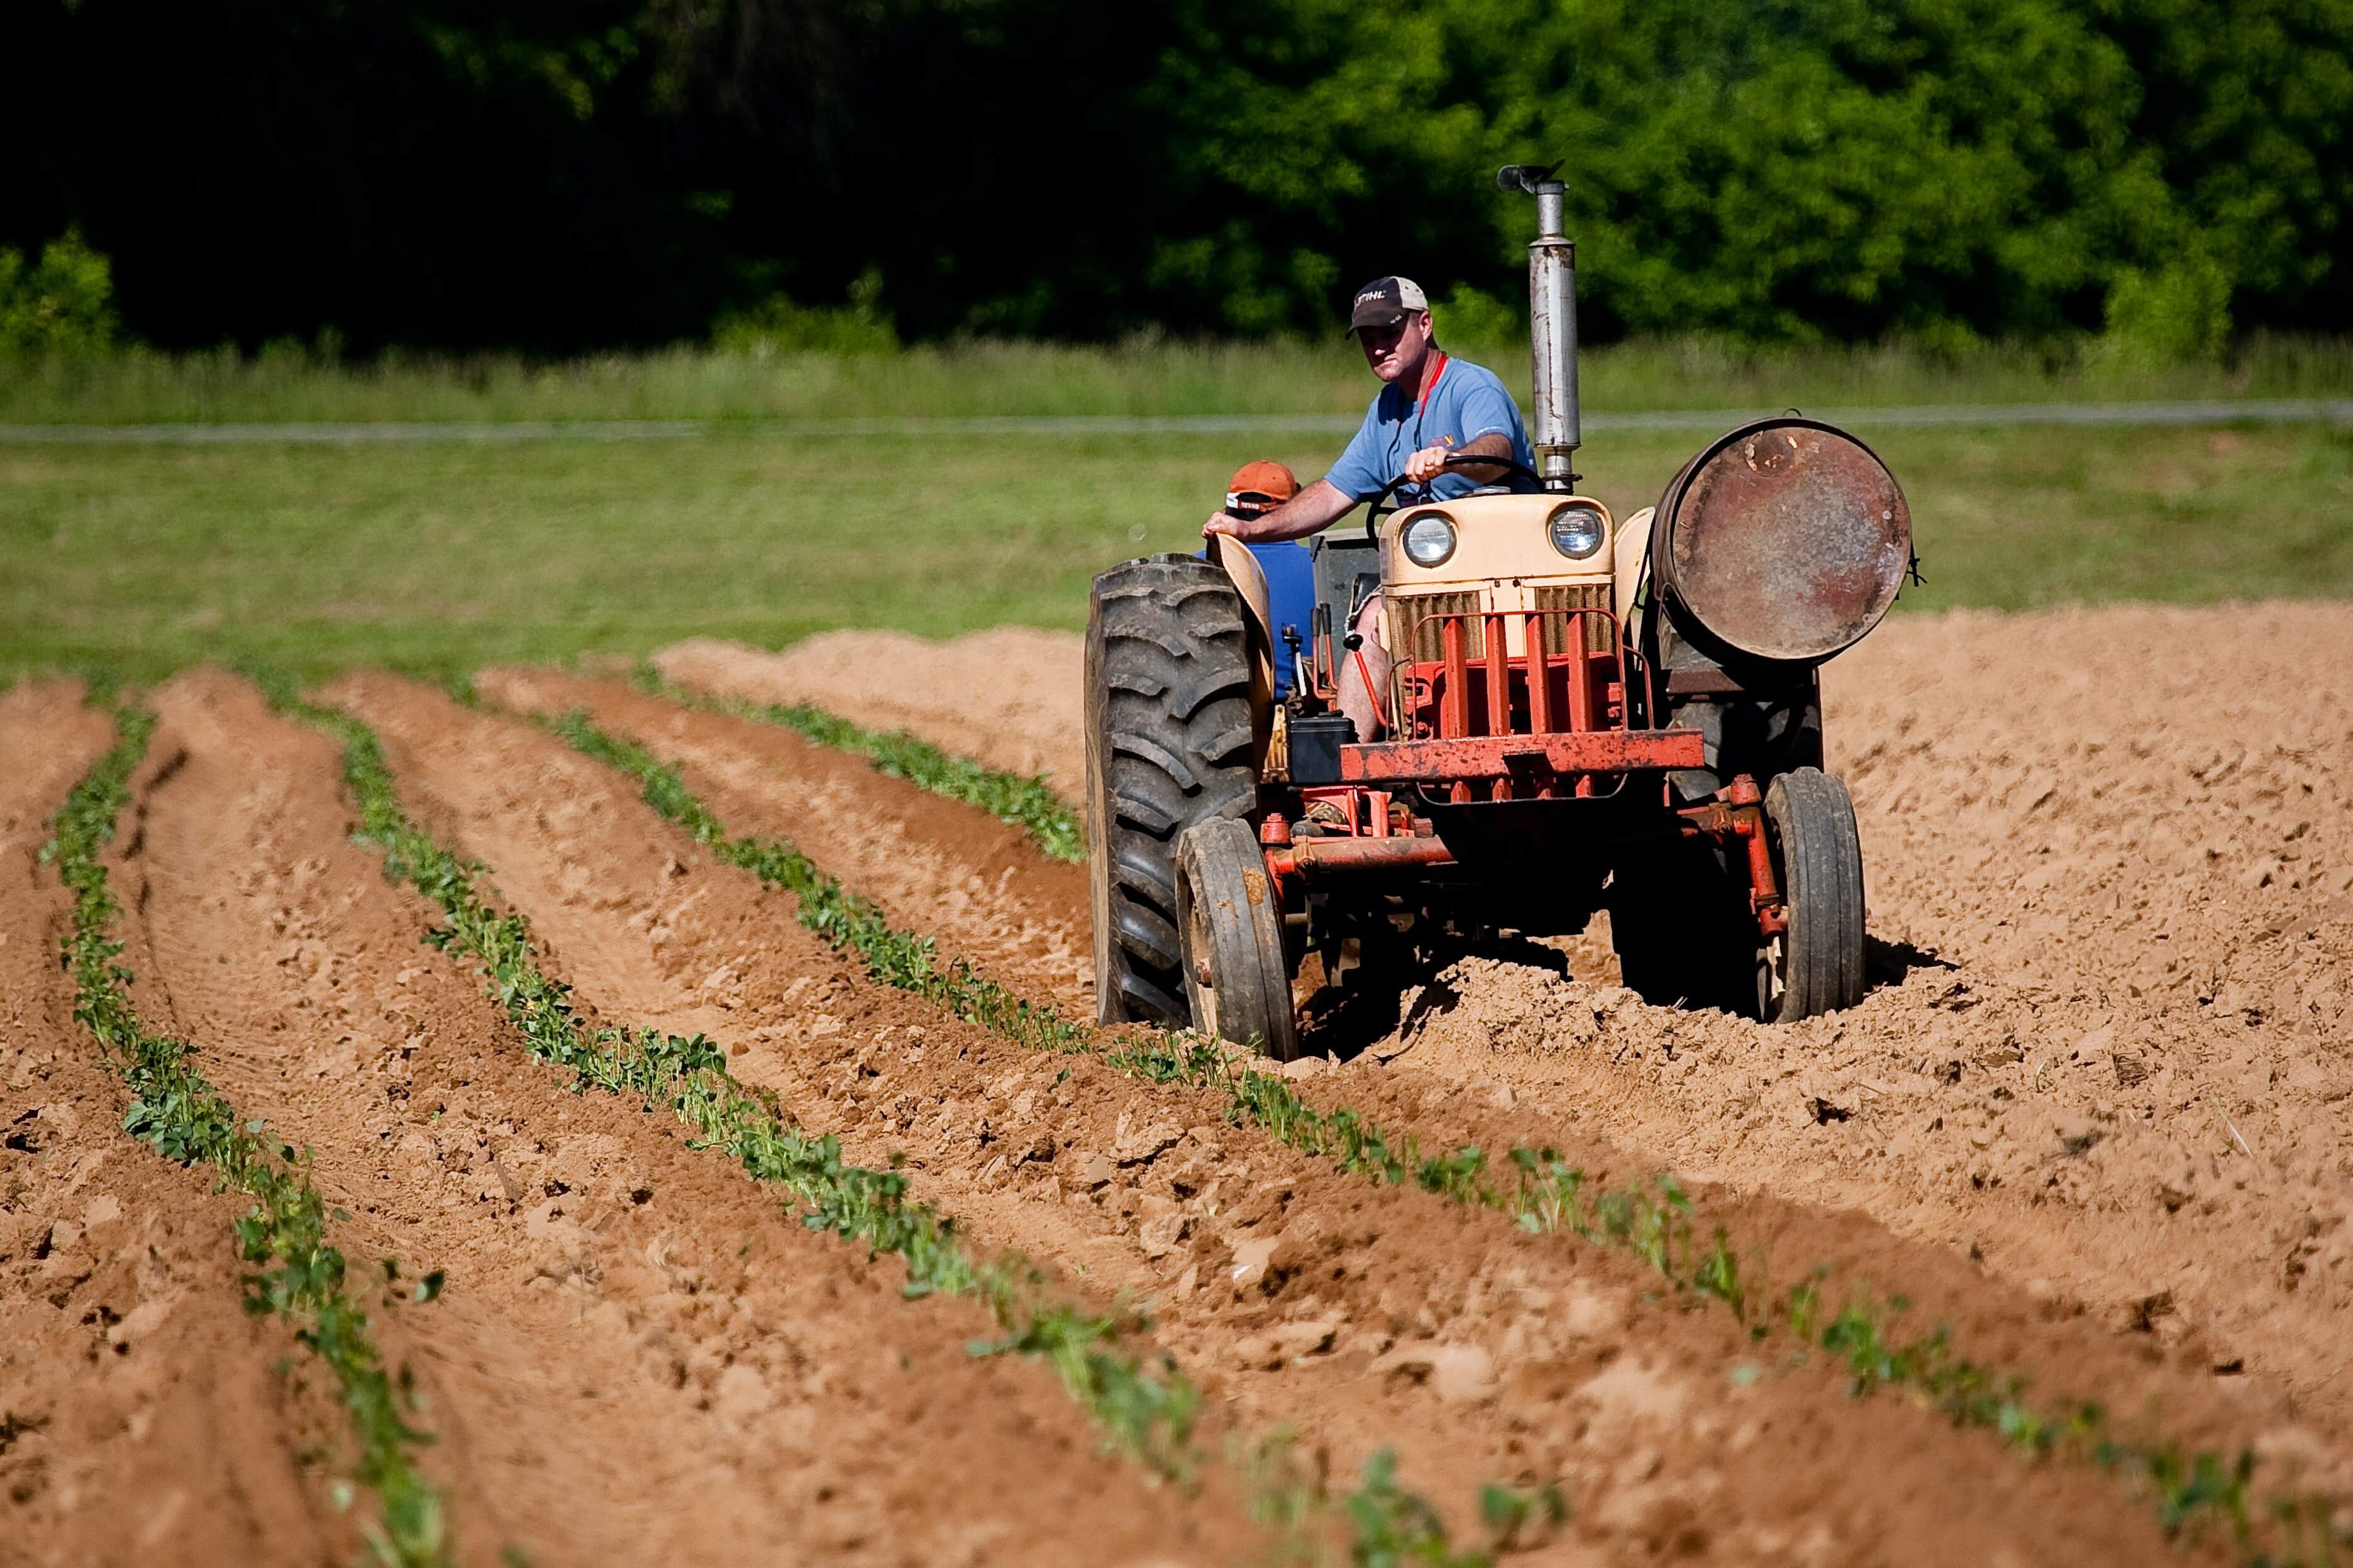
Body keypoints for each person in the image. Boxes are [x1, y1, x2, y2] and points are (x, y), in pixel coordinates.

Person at [1204, 276, 1535, 739]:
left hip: (1508, 568)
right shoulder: (1387, 410)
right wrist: (1251, 531)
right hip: (1428, 578)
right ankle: (1348, 778)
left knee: (1381, 613)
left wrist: (1452, 459)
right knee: (1373, 620)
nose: (1379, 347)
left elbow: (1498, 450)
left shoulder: (1470, 387)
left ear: (1425, 324)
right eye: (1368, 339)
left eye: (1389, 333)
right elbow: (1333, 493)